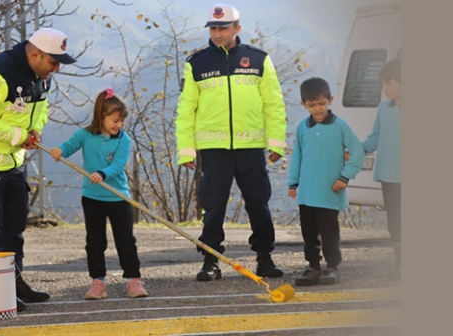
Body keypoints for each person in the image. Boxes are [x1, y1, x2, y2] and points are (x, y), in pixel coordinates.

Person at [0, 27, 77, 311]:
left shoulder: (41, 78)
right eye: (53, 61)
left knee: (14, 227)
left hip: (13, 161)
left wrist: (34, 129)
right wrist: (17, 136)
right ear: (35, 53)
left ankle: (14, 283)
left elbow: (41, 110)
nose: (56, 68)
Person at [175, 3, 288, 281]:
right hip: (213, 150)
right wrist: (186, 150)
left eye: (223, 28)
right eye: (213, 28)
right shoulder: (196, 63)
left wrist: (276, 144)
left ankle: (264, 258)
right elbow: (186, 109)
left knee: (258, 204)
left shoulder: (259, 59)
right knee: (212, 206)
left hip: (250, 148)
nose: (217, 34)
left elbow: (273, 104)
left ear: (237, 28)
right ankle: (210, 261)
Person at [50, 89, 148, 300]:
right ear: (100, 116)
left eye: (121, 121)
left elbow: (119, 165)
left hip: (117, 197)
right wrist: (60, 151)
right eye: (114, 120)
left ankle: (133, 279)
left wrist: (103, 173)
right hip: (92, 197)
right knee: (95, 241)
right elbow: (69, 146)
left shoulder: (123, 140)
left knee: (125, 240)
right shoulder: (85, 135)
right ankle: (98, 282)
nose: (118, 125)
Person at [288, 77, 365, 286]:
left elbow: (357, 153)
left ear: (330, 100)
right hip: (307, 193)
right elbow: (297, 155)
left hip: (330, 191)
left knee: (330, 233)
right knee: (309, 233)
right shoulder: (303, 127)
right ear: (303, 104)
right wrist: (293, 183)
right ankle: (313, 267)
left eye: (322, 103)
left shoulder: (340, 126)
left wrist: (344, 177)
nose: (318, 108)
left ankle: (331, 267)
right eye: (312, 105)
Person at [362, 57, 402, 277]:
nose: (385, 88)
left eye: (391, 83)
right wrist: (354, 150)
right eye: (384, 83)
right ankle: (400, 264)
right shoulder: (383, 109)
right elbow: (373, 139)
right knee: (394, 221)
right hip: (388, 175)